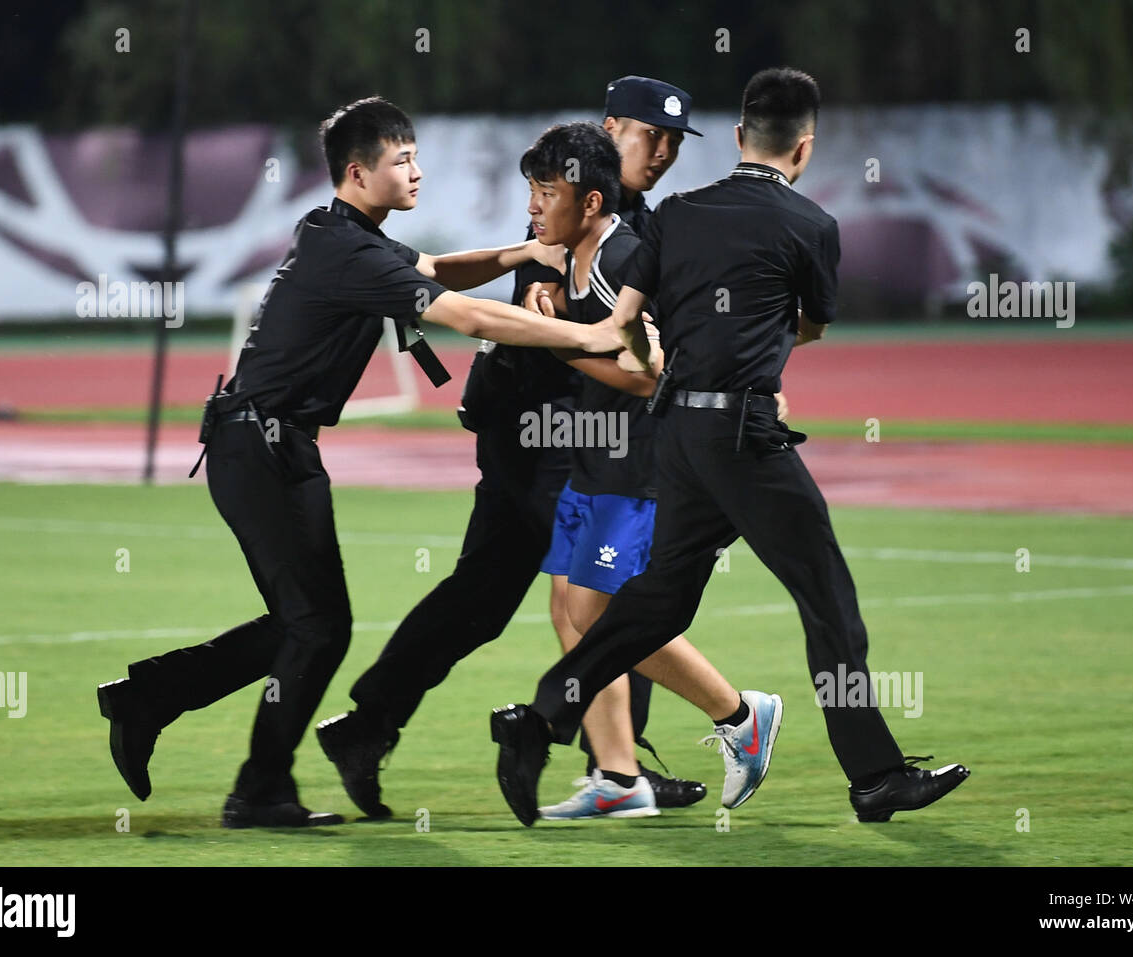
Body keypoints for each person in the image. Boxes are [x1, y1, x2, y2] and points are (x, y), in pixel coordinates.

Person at [95, 95, 622, 829]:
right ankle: (257, 788)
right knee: (316, 627)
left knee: (306, 624)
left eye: (415, 156)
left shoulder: (348, 235)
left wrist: (516, 255)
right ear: (356, 171)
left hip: (275, 445)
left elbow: (438, 268)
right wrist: (590, 339)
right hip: (261, 445)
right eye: (401, 160)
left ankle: (150, 699)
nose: (417, 171)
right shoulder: (348, 249)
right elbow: (462, 314)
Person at [492, 68, 970, 827]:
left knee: (654, 602)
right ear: (804, 148)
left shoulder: (676, 215)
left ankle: (544, 712)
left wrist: (550, 321)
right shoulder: (813, 225)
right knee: (829, 602)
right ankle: (876, 777)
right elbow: (810, 325)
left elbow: (626, 327)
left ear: (741, 138)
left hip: (675, 434)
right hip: (746, 434)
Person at [315, 78, 708, 819]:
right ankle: (626, 761)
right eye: (648, 134)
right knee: (569, 590)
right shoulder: (580, 210)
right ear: (612, 127)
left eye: (674, 142)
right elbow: (570, 330)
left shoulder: (618, 217)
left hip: (568, 435)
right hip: (542, 437)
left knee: (549, 591)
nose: (661, 153)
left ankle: (610, 766)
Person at [517, 121, 749, 821]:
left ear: (589, 202)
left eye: (545, 191)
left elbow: (652, 375)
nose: (533, 205)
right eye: (530, 189)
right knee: (568, 609)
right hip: (592, 458)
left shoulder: (620, 255)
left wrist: (556, 341)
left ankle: (740, 715)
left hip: (635, 463)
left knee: (600, 611)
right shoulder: (572, 258)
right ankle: (618, 776)